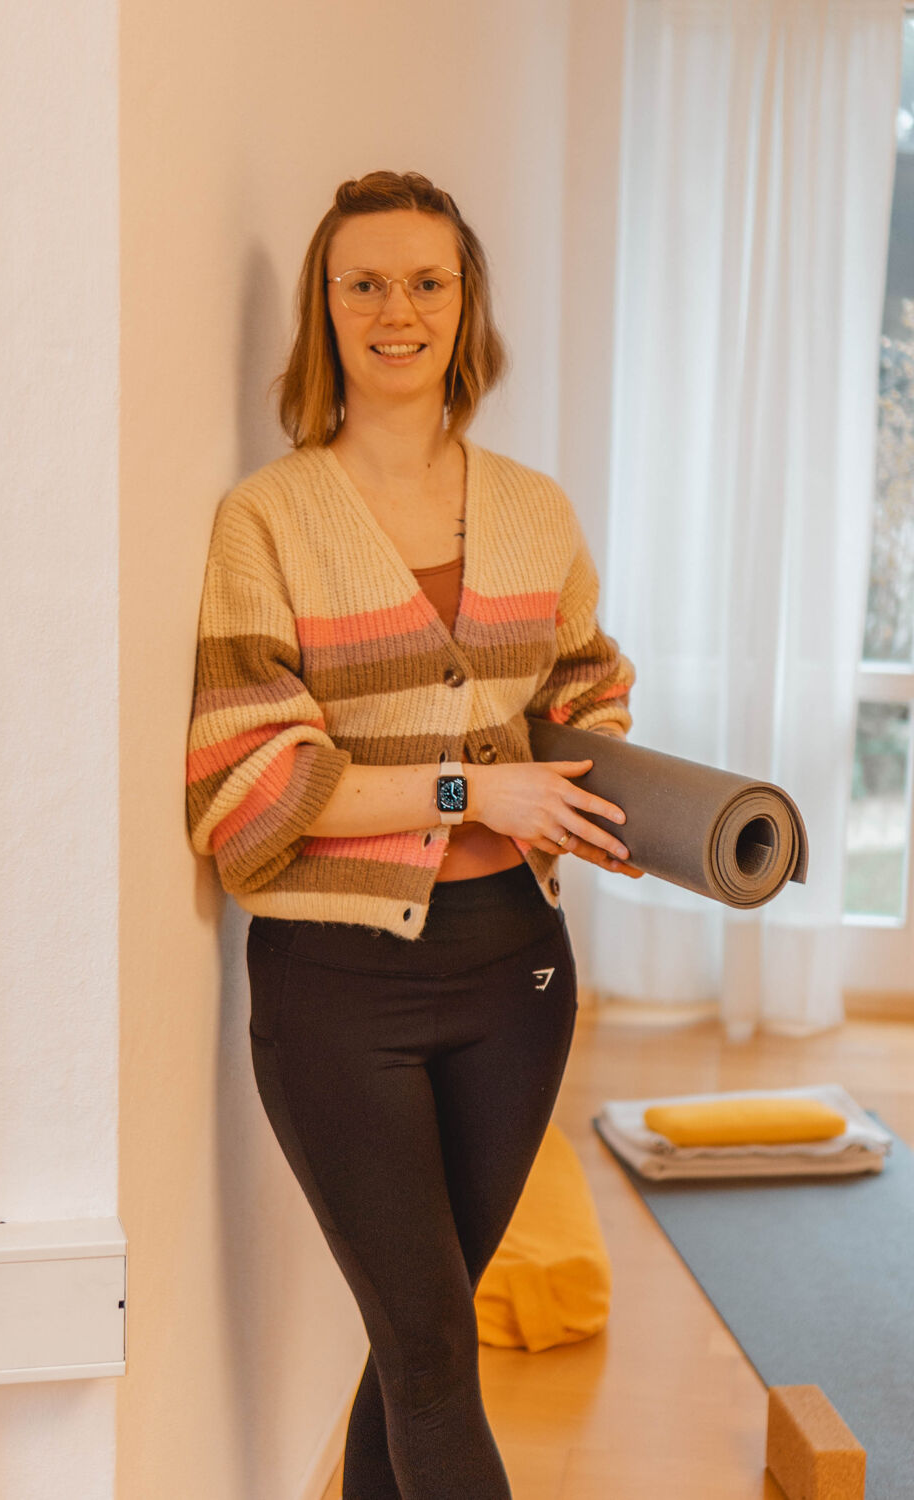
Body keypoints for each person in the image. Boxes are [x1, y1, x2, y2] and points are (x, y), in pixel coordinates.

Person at [186, 170, 640, 1500]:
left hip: (519, 974)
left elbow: (587, 691)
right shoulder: (268, 519)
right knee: (437, 1356)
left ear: (465, 304)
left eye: (428, 282)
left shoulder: (535, 510)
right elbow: (247, 785)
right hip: (338, 987)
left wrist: (602, 802)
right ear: (324, 309)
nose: (399, 310)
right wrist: (471, 791)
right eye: (365, 283)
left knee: (414, 1353)